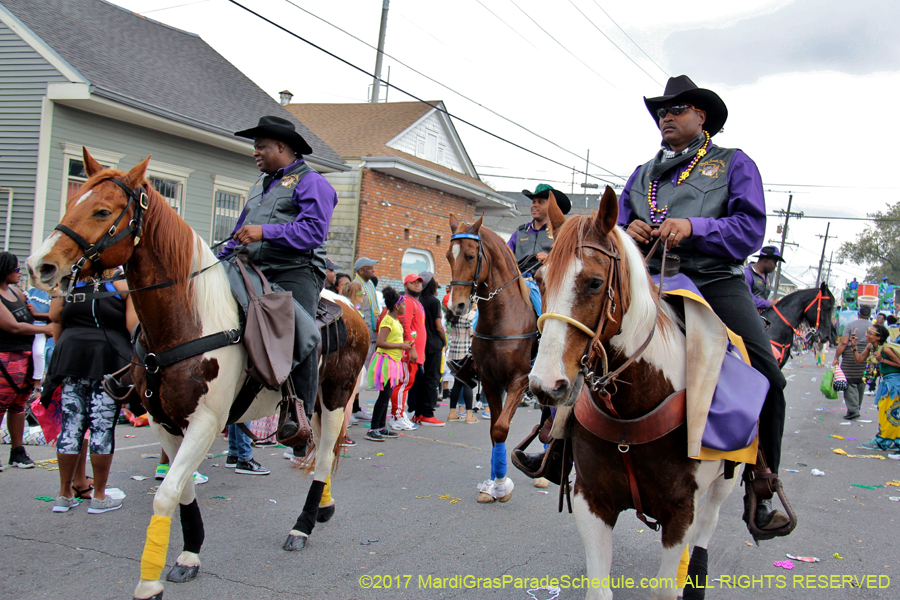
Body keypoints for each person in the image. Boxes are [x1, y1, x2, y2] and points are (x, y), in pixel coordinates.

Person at [615, 75, 789, 534]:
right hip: (649, 280)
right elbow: (615, 222)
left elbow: (750, 230)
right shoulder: (641, 174)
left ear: (701, 115)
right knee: (579, 337)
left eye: (676, 109)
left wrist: (695, 228)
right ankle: (556, 446)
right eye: (660, 111)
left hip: (713, 281)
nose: (665, 116)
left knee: (767, 374)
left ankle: (762, 484)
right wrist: (626, 231)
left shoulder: (734, 163)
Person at [218, 116, 337, 432]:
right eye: (255, 148)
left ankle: (298, 415)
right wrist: (216, 263)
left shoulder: (313, 183)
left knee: (300, 328)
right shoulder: (259, 185)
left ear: (282, 146)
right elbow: (239, 232)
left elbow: (312, 232)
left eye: (261, 147)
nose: (255, 153)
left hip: (296, 270)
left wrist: (264, 232)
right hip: (252, 267)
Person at [45, 269, 137, 513]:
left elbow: (55, 316)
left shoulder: (71, 283)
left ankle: (64, 495)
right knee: (102, 425)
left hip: (71, 356)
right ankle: (99, 496)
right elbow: (132, 327)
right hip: (107, 359)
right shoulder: (121, 285)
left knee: (71, 425)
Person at [0, 253, 53, 470]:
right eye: (15, 268)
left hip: (26, 356)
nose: (19, 271)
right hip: (6, 359)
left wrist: (42, 318)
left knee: (18, 406)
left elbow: (30, 317)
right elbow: (13, 326)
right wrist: (45, 329)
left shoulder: (16, 292)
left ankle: (17, 451)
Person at [365, 287, 410, 442]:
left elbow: (392, 340)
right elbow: (380, 342)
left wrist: (404, 344)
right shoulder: (388, 320)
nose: (405, 307)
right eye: (403, 304)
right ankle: (373, 429)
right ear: (397, 306)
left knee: (387, 395)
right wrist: (400, 346)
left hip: (393, 361)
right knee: (384, 396)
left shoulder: (395, 320)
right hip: (385, 362)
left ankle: (381, 427)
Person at [851, 324, 900, 451]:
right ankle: (896, 441)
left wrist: (882, 360)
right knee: (887, 411)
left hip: (894, 383)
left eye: (870, 334)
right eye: (867, 333)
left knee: (889, 412)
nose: (867, 335)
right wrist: (854, 346)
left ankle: (883, 441)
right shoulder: (871, 347)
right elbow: (859, 360)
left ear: (878, 338)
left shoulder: (886, 350)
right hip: (886, 381)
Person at [507, 184, 571, 276]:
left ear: (552, 206)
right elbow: (504, 257)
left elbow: (571, 262)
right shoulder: (519, 233)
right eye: (533, 202)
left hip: (548, 285)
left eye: (540, 202)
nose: (535, 205)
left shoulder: (562, 233)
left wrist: (551, 260)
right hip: (519, 286)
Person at [389, 274, 424, 431]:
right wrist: (412, 348)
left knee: (406, 384)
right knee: (403, 384)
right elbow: (405, 325)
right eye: (413, 282)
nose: (417, 285)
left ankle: (400, 414)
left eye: (419, 282)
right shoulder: (407, 302)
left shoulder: (415, 302)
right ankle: (397, 417)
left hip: (414, 352)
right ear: (405, 286)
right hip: (409, 352)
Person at [413, 272, 447, 426]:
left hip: (420, 344)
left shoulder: (417, 300)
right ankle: (427, 413)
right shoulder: (434, 301)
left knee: (420, 379)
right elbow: (439, 326)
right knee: (432, 379)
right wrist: (444, 340)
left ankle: (418, 413)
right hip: (433, 344)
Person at [832, 305, 872, 421]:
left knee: (849, 381)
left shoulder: (850, 325)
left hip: (850, 355)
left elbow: (844, 343)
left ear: (858, 314)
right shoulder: (873, 327)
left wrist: (836, 357)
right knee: (861, 381)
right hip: (866, 355)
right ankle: (856, 406)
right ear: (869, 315)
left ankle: (853, 410)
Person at [353, 257, 380, 421]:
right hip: (362, 335)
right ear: (361, 271)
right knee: (357, 373)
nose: (373, 271)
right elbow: (356, 308)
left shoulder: (369, 284)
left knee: (362, 375)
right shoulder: (356, 286)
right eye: (370, 268)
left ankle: (356, 408)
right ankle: (351, 408)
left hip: (371, 335)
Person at [447, 305, 478, 424]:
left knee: (457, 383)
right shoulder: (469, 315)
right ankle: (469, 415)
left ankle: (452, 412)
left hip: (454, 352)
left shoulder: (452, 313)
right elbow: (474, 331)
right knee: (467, 383)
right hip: (466, 352)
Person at [745, 246, 784, 311]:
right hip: (747, 314)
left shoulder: (767, 277)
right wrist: (768, 303)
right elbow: (748, 298)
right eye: (775, 262)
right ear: (766, 260)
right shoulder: (747, 273)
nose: (776, 266)